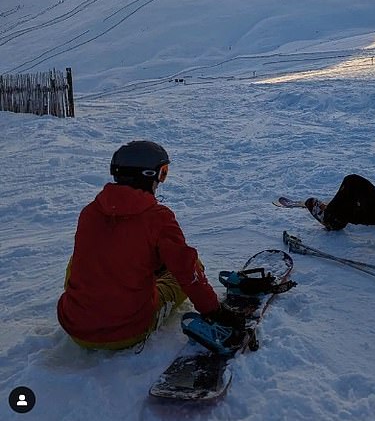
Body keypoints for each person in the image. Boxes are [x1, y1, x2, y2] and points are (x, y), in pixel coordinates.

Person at [57, 140, 242, 350]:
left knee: (84, 257)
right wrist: (215, 311)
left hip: (76, 327)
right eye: (162, 173)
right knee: (193, 265)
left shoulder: (89, 212)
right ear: (147, 176)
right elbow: (187, 272)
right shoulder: (158, 218)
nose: (160, 182)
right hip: (128, 331)